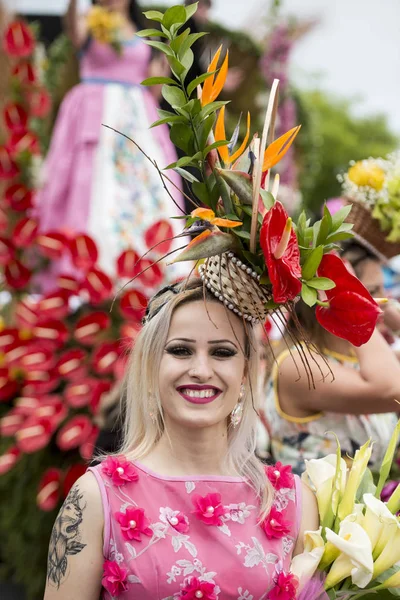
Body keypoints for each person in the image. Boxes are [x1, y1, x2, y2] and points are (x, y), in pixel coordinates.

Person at [43, 278, 318, 599]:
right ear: (149, 367)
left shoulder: (293, 502)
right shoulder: (95, 497)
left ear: (245, 372)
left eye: (221, 352)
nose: (201, 369)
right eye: (180, 350)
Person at [35, 0, 183, 285]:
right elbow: (73, 29)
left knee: (151, 187)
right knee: (89, 189)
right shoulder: (88, 20)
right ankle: (90, 272)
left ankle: (153, 271)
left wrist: (158, 79)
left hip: (137, 120)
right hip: (96, 116)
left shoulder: (142, 29)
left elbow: (149, 87)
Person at [262, 239, 400, 474]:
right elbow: (393, 389)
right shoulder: (296, 365)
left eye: (382, 289)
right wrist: (356, 309)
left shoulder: (363, 360)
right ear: (331, 295)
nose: (385, 303)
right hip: (316, 509)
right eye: (372, 292)